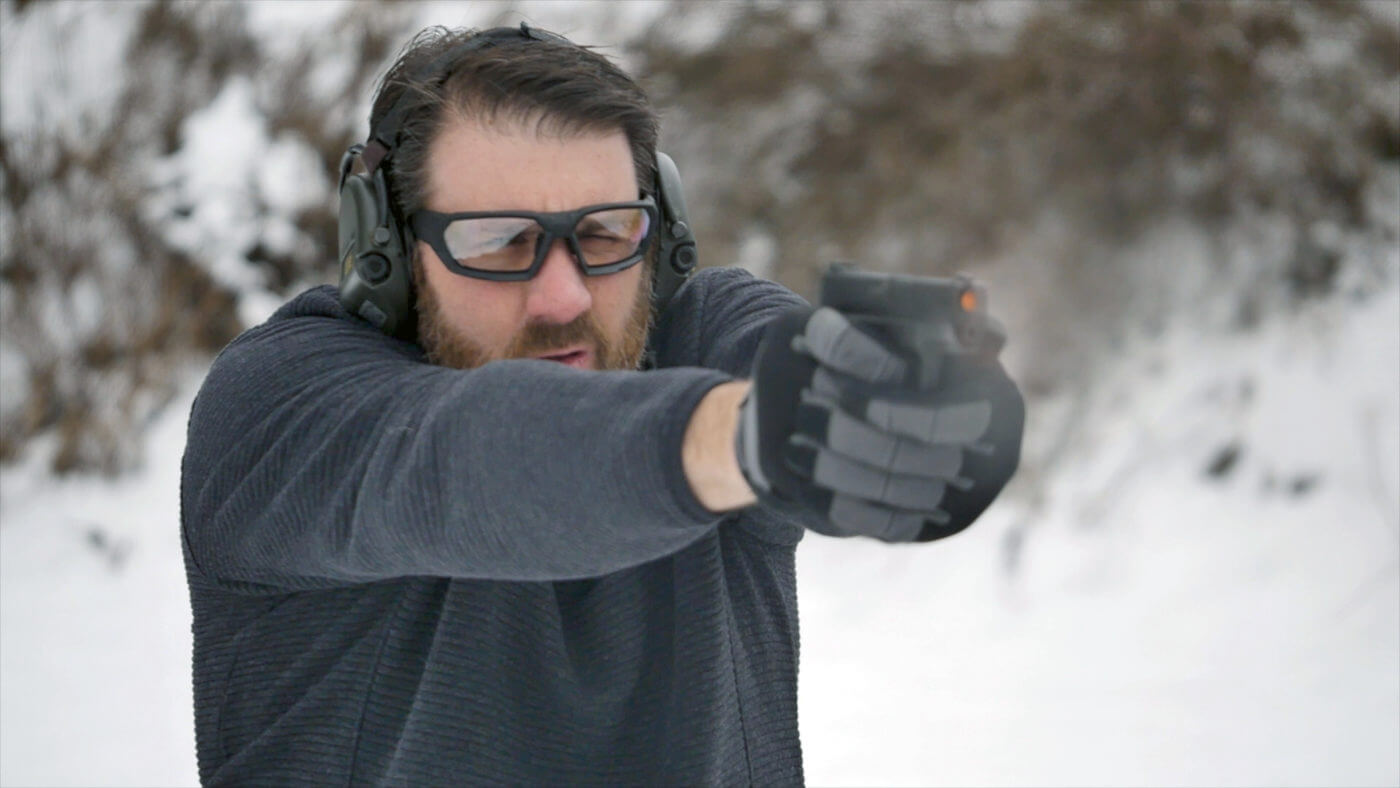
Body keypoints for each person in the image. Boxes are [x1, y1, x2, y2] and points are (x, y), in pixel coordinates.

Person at [180, 22, 1024, 786]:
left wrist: (885, 397)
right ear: (390, 258)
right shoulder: (281, 411)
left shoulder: (703, 336)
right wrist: (740, 441)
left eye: (605, 234)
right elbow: (464, 457)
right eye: (500, 241)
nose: (563, 294)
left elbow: (783, 356)